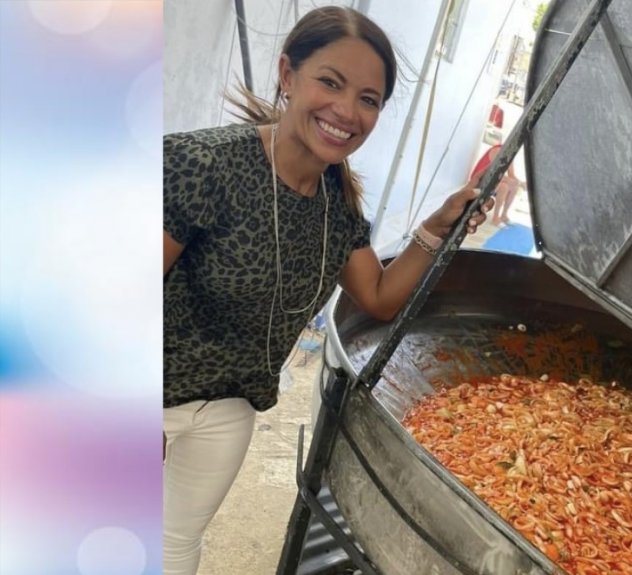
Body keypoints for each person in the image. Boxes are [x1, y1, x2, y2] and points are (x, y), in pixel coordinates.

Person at [162, 7, 491, 574]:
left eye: (368, 99)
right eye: (330, 82)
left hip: (228, 412)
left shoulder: (336, 207)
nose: (347, 111)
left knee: (173, 547)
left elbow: (380, 297)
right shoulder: (200, 164)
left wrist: (436, 227)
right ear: (289, 75)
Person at [470, 141, 525, 226]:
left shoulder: (511, 154)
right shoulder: (497, 151)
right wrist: (517, 183)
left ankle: (504, 215)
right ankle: (495, 217)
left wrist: (521, 183)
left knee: (515, 186)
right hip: (480, 179)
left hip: (493, 180)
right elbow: (493, 174)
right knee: (504, 187)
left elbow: (512, 175)